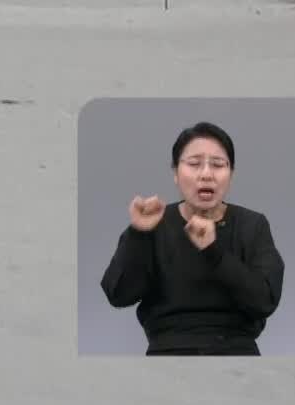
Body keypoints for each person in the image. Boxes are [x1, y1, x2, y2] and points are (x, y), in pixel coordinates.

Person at [100, 121, 284, 354]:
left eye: (218, 165)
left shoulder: (252, 225)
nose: (206, 174)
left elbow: (264, 301)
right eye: (194, 164)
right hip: (167, 351)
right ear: (176, 173)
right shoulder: (154, 222)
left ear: (231, 174)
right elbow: (118, 295)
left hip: (236, 350)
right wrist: (139, 233)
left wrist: (213, 251)